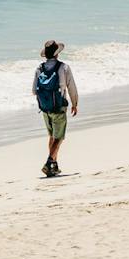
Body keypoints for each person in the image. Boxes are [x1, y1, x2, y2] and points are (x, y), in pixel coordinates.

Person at [33, 40, 81, 178]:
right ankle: (49, 163)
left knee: (52, 136)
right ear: (57, 53)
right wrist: (75, 103)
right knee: (58, 137)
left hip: (45, 108)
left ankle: (54, 165)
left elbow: (33, 90)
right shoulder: (63, 67)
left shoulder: (39, 68)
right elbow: (71, 87)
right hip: (59, 106)